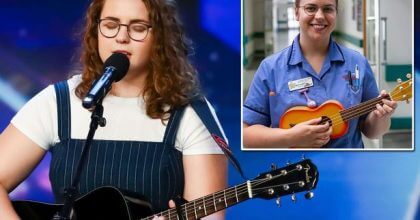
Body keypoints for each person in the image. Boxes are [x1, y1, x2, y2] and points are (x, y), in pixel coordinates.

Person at [0, 0, 227, 219]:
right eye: (110, 25)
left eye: (138, 28)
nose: (121, 37)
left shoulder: (190, 112)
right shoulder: (58, 101)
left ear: (161, 37)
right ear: (95, 31)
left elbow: (209, 215)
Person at [243, 0, 397, 149]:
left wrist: (380, 118)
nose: (320, 16)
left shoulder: (357, 63)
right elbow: (246, 133)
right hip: (292, 169)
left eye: (328, 9)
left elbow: (372, 132)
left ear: (336, 13)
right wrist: (290, 137)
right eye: (310, 8)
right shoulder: (271, 68)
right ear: (296, 12)